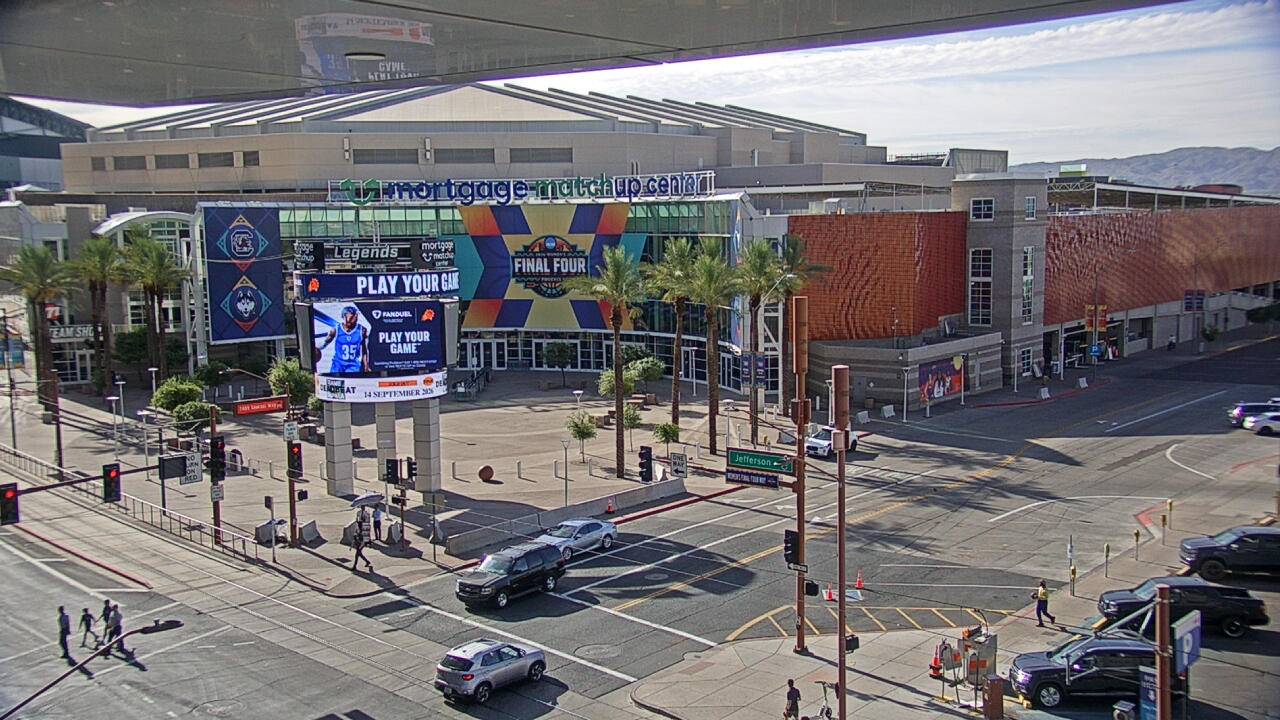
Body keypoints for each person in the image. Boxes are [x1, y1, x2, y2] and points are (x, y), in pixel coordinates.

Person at [318, 305, 370, 374]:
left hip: (353, 364)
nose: (355, 317)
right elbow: (325, 343)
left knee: (351, 381)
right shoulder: (336, 329)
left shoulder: (362, 330)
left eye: (356, 315)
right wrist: (316, 349)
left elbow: (364, 350)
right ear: (345, 316)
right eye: (353, 315)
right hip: (338, 363)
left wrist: (366, 365)